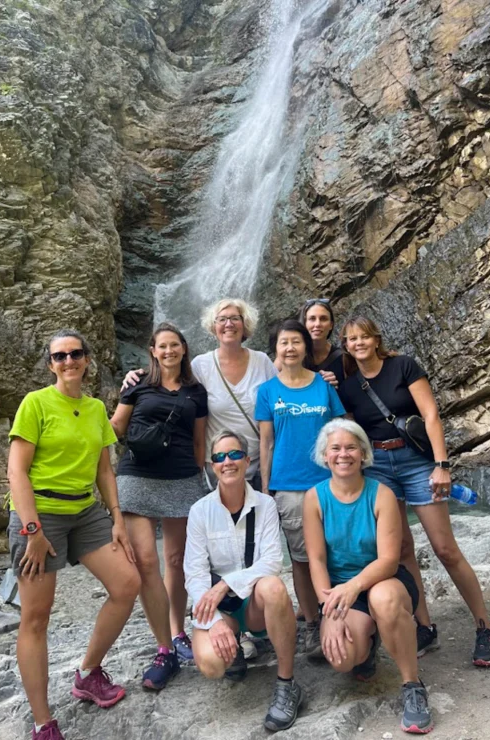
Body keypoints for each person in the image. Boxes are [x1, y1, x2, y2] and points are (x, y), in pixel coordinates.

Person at [337, 316, 490, 666]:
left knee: (445, 548)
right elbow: (351, 435)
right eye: (351, 339)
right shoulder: (349, 387)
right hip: (378, 466)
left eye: (364, 336)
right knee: (402, 549)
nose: (359, 343)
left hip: (416, 462)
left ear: (376, 339)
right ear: (346, 346)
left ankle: (485, 627)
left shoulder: (403, 366)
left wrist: (441, 465)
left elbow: (430, 416)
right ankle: (424, 625)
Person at [122, 298, 277, 660]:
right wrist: (134, 378)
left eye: (235, 319)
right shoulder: (202, 367)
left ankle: (255, 622)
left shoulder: (261, 363)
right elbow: (159, 386)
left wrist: (324, 376)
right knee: (204, 553)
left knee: (251, 547)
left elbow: (285, 388)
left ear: (245, 324)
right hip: (215, 470)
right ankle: (184, 633)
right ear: (212, 327)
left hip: (252, 465)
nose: (228, 324)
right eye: (222, 319)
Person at [7, 329, 141, 740]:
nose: (68, 361)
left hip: (85, 511)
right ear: (51, 364)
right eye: (60, 356)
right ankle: (42, 722)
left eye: (75, 354)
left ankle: (87, 673)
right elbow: (16, 471)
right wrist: (32, 531)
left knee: (127, 583)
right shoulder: (36, 403)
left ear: (86, 359)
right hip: (39, 513)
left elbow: (104, 470)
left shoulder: (98, 408)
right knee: (36, 617)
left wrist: (117, 517)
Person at [303, 419, 433, 734]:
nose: (343, 454)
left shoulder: (382, 494)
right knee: (343, 659)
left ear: (363, 453)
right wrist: (328, 611)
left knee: (383, 599)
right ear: (325, 455)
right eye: (335, 448)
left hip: (384, 581)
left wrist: (352, 588)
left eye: (351, 447)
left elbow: (389, 560)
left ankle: (412, 686)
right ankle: (369, 643)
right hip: (341, 594)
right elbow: (317, 560)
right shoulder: (314, 498)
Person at [184, 430, 303, 733]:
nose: (228, 462)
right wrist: (214, 623)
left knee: (274, 586)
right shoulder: (200, 512)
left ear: (248, 460)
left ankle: (287, 683)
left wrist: (226, 583)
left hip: (255, 604)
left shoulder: (266, 505)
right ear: (213, 466)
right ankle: (232, 645)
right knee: (212, 665)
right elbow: (195, 575)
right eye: (220, 457)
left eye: (235, 454)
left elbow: (272, 561)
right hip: (220, 609)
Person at [110, 322, 207, 688]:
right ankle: (164, 648)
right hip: (136, 476)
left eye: (175, 345)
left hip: (182, 476)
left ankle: (178, 631)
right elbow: (116, 427)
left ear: (184, 349)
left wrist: (197, 479)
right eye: (162, 346)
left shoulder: (197, 392)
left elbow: (199, 441)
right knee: (147, 561)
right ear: (152, 351)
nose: (168, 351)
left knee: (177, 560)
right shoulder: (136, 384)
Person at [256, 319, 346, 656]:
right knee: (302, 558)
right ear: (275, 350)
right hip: (288, 485)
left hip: (330, 482)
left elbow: (342, 428)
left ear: (306, 347)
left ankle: (338, 615)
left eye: (296, 341)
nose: (290, 348)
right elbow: (266, 443)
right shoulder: (267, 391)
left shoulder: (324, 386)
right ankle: (312, 622)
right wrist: (266, 490)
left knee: (336, 551)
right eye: (283, 343)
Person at [274, 298, 344, 384]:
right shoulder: (289, 356)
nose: (317, 324)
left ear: (331, 325)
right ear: (305, 323)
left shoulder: (343, 358)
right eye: (312, 319)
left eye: (323, 319)